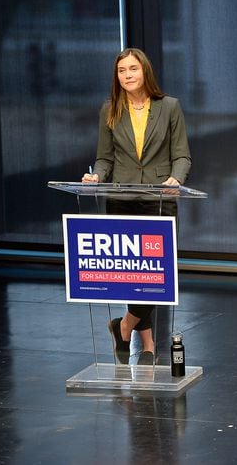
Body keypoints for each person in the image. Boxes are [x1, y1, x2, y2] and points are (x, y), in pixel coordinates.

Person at [81, 47, 191, 365]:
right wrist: (96, 175)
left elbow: (182, 154)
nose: (127, 75)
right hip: (122, 198)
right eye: (121, 71)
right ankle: (147, 346)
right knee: (134, 273)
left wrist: (176, 178)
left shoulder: (169, 107)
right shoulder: (110, 109)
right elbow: (104, 156)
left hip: (160, 198)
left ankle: (124, 325)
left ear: (145, 71)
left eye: (132, 69)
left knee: (158, 273)